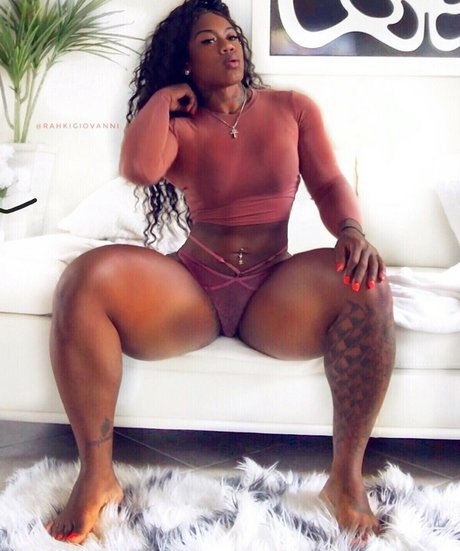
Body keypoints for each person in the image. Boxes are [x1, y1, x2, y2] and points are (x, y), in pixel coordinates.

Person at [46, 0, 395, 544]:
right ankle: (97, 476)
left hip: (273, 294)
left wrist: (350, 229)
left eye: (231, 36)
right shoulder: (178, 125)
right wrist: (162, 100)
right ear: (185, 61)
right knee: (83, 279)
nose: (226, 46)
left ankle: (345, 482)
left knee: (366, 282)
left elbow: (328, 184)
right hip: (195, 290)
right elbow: (139, 168)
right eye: (207, 41)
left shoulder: (291, 109)